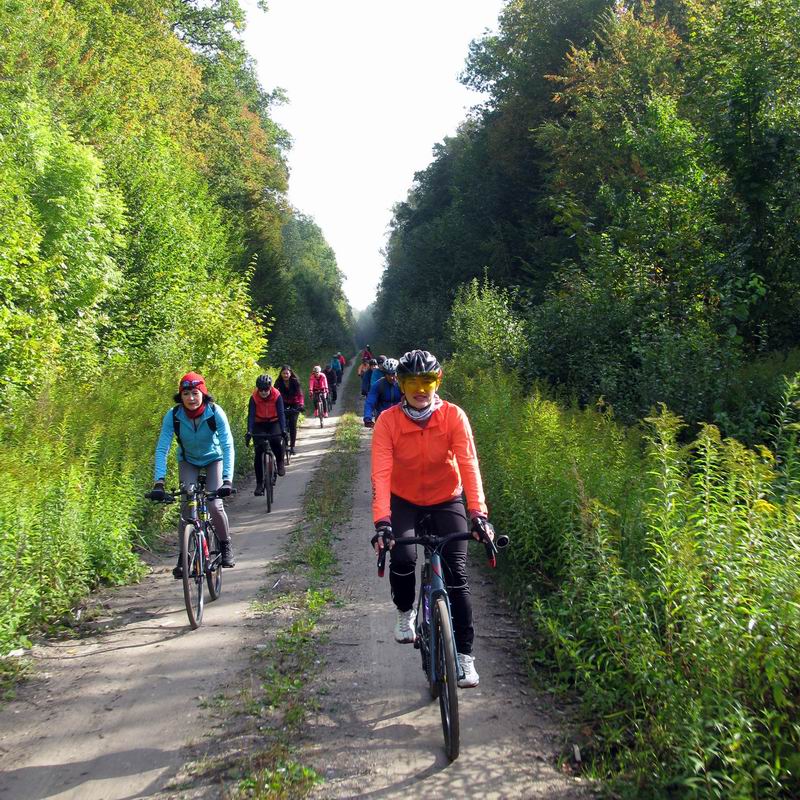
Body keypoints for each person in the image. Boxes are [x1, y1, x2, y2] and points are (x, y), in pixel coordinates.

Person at [370, 350, 495, 688]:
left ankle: (465, 658)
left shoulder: (453, 416)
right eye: (412, 382)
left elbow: (469, 465)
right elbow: (381, 473)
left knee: (457, 574)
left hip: (446, 498)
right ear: (401, 384)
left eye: (427, 381)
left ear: (437, 382)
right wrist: (382, 520)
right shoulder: (388, 422)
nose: (420, 389)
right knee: (404, 555)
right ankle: (404, 612)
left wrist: (478, 514)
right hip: (404, 499)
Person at [151, 372, 236, 574]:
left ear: (203, 394)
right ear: (181, 396)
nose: (191, 398)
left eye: (195, 393)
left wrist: (227, 480)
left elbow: (227, 445)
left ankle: (225, 546)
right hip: (188, 460)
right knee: (187, 508)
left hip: (213, 459)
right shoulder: (173, 415)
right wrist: (159, 481)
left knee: (214, 505)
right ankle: (185, 554)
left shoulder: (215, 412)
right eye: (186, 393)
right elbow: (162, 448)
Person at [245, 374, 287, 494]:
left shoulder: (277, 395)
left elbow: (281, 413)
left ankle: (280, 462)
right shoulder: (254, 397)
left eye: (266, 390)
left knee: (276, 441)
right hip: (259, 424)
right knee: (258, 452)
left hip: (274, 422)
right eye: (261, 389)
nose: (263, 392)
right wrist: (249, 431)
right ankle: (259, 484)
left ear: (270, 388)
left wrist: (283, 429)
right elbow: (251, 416)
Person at [363, 357, 401, 427]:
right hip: (382, 420)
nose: (391, 377)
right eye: (388, 374)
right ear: (384, 373)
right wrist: (367, 418)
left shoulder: (402, 385)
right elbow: (370, 402)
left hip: (399, 420)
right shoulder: (378, 385)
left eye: (393, 374)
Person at [275, 365, 304, 455]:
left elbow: (300, 394)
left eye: (287, 373)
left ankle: (292, 447)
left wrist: (301, 404)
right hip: (283, 403)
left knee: (292, 424)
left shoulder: (295, 382)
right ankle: (283, 442)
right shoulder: (278, 382)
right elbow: (274, 394)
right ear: (281, 374)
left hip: (295, 403)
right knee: (281, 423)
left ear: (290, 373)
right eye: (283, 373)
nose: (285, 375)